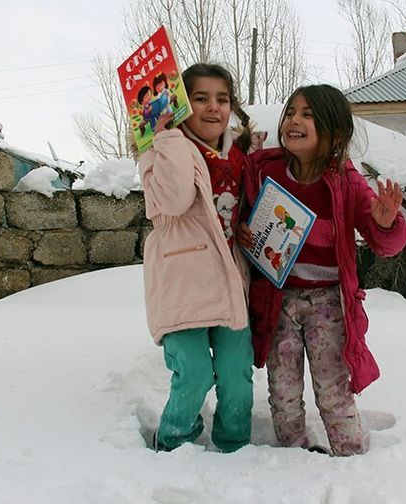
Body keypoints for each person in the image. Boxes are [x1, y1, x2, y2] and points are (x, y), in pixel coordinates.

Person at [239, 84, 406, 456]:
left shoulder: (346, 183)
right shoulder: (266, 170)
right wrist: (243, 227)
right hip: (278, 299)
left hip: (329, 302)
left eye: (308, 115)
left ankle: (350, 456)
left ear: (333, 132)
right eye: (291, 112)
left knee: (333, 387)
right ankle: (294, 456)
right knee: (282, 389)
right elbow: (240, 208)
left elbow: (387, 245)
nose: (294, 121)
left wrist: (384, 222)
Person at [138, 62, 255, 453]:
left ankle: (235, 444)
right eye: (201, 98)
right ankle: (174, 440)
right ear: (182, 103)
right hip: (182, 279)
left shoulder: (236, 155)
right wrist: (168, 139)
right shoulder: (157, 150)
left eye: (222, 99)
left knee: (237, 374)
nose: (213, 108)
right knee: (194, 373)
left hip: (226, 278)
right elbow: (174, 200)